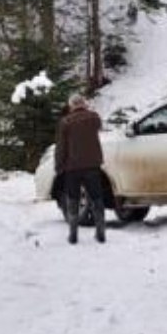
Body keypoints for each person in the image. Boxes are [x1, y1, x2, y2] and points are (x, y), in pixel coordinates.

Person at [56, 93, 106, 244]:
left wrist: (59, 166)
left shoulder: (65, 122)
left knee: (73, 200)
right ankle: (100, 233)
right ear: (84, 104)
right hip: (92, 166)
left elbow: (61, 148)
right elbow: (99, 125)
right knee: (97, 199)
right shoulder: (94, 118)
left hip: (72, 168)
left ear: (71, 105)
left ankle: (73, 235)